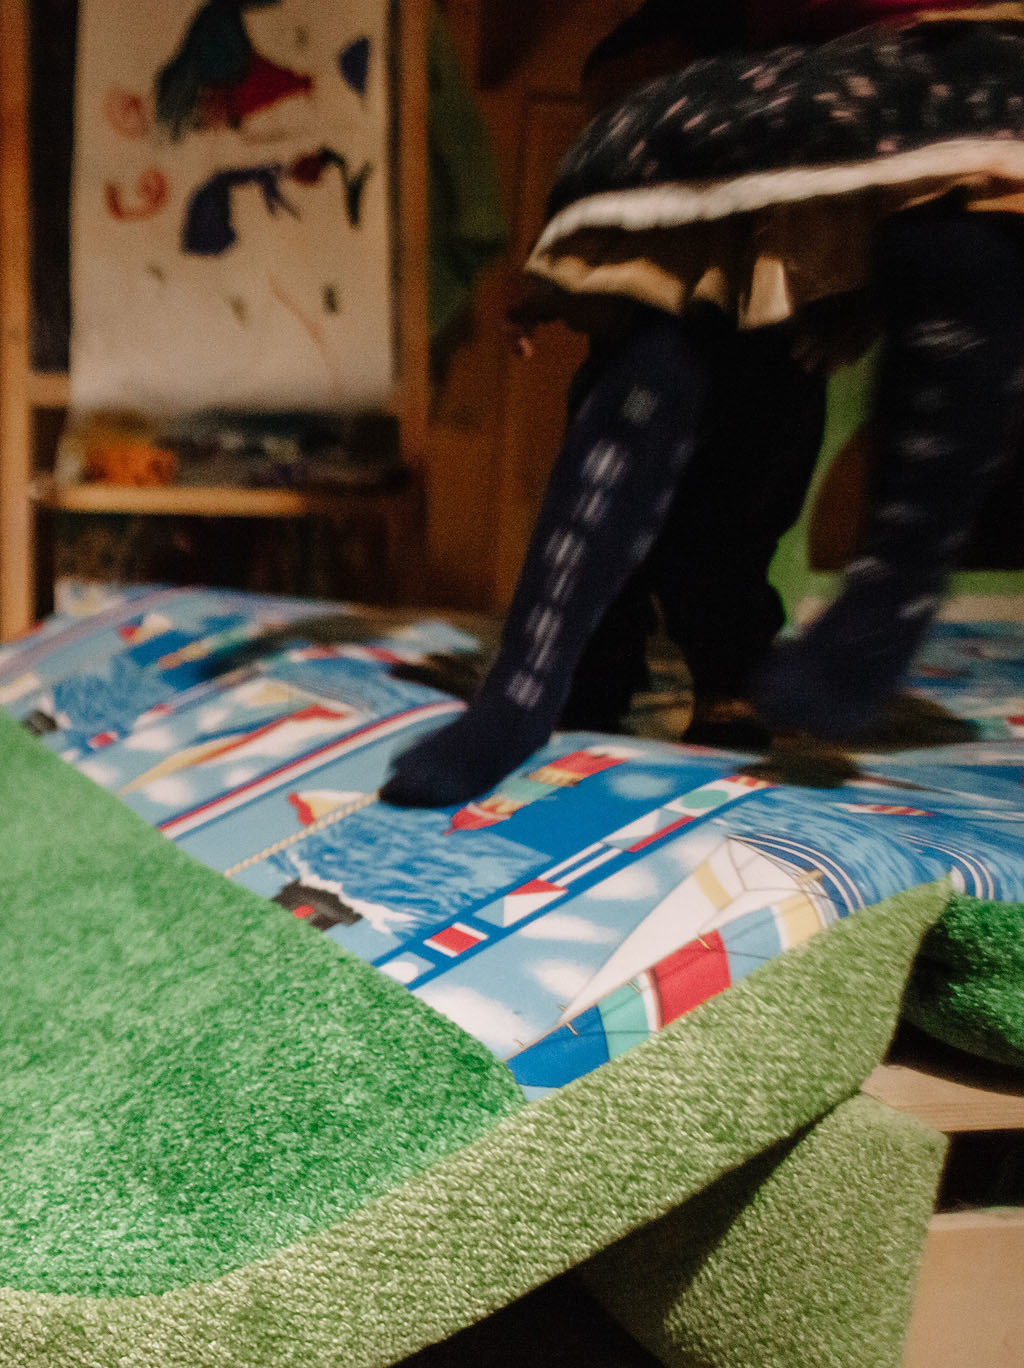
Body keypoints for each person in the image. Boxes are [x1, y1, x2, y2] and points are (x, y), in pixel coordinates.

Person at [385, 0, 1024, 807]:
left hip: (787, 358)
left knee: (728, 556)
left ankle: (810, 641)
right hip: (712, 215)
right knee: (645, 394)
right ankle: (539, 687)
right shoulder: (686, 99)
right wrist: (543, 292)